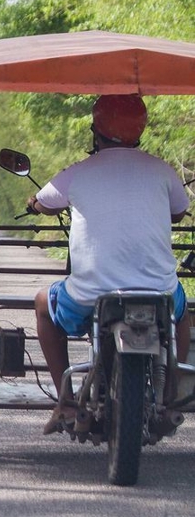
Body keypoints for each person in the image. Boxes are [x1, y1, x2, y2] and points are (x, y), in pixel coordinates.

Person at [27, 94, 191, 434]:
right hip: (159, 292)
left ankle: (67, 402)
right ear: (140, 130)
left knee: (43, 304)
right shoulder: (162, 170)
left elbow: (44, 202)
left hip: (91, 295)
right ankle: (173, 391)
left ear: (95, 130)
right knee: (182, 313)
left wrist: (35, 204)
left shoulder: (78, 173)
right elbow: (178, 211)